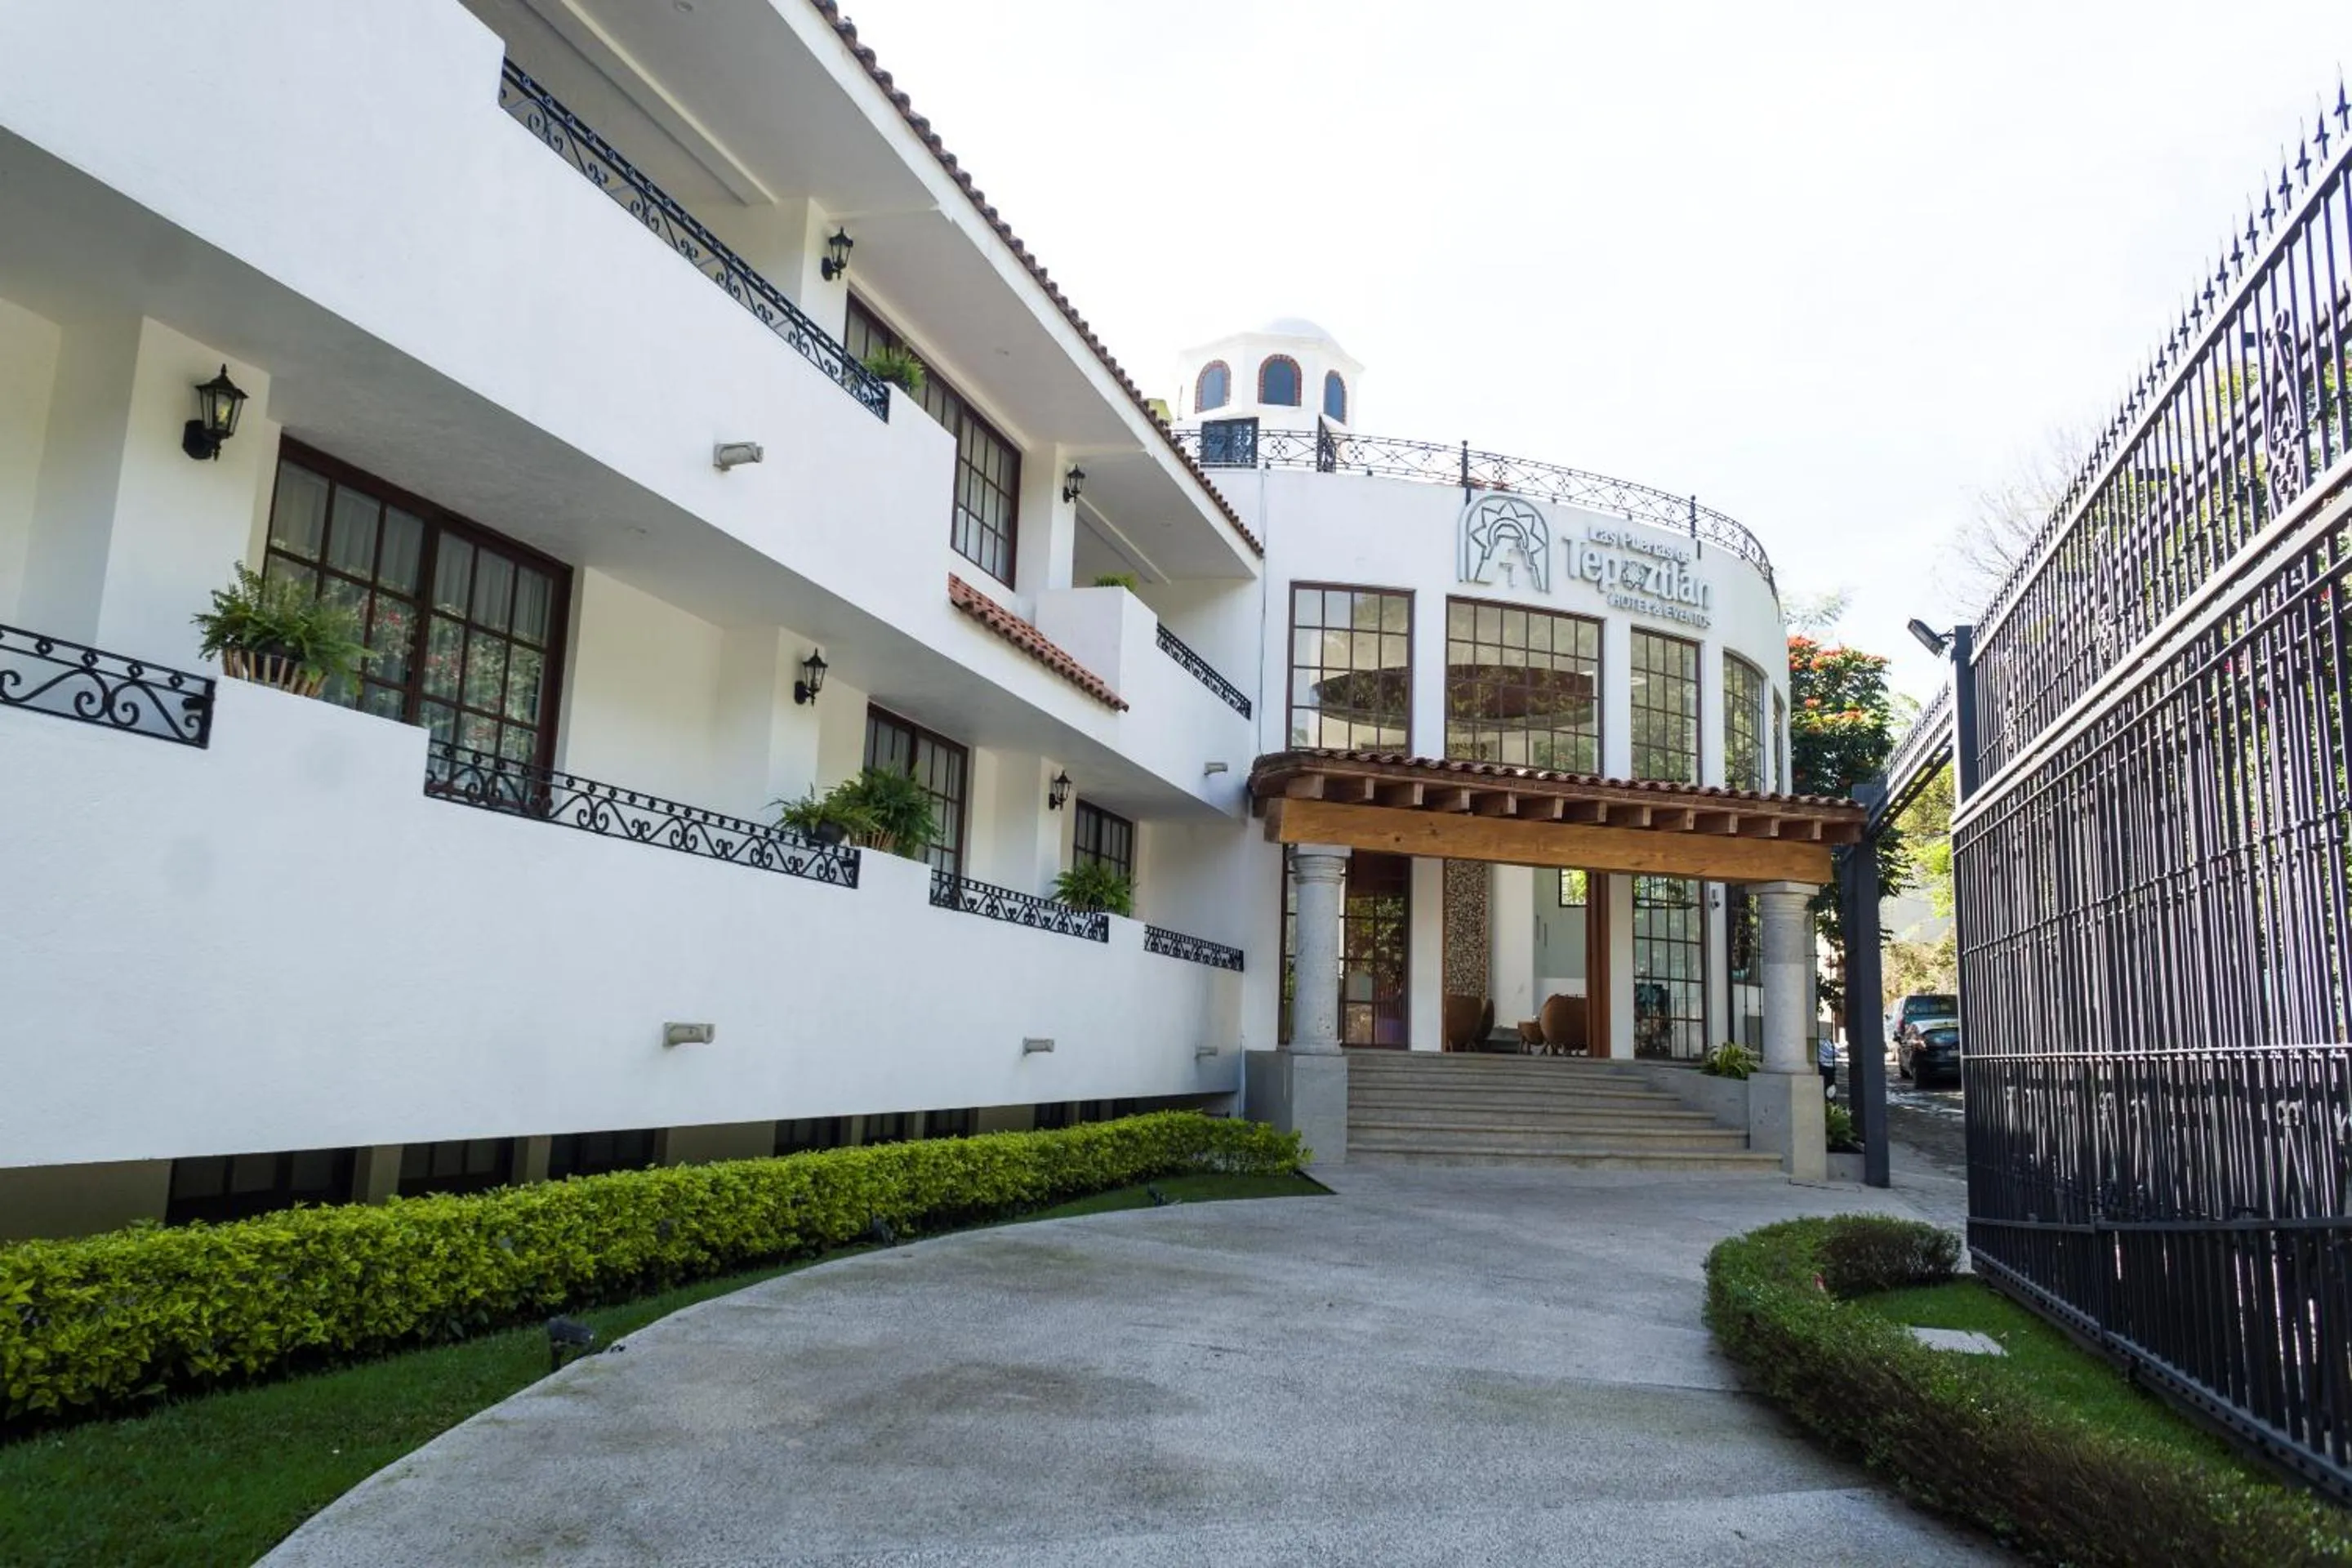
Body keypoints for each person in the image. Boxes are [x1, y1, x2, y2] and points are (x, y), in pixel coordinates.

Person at [1817, 1035, 1838, 1100]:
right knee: (1828, 1087)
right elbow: (1831, 1052)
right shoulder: (1822, 1041)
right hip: (1825, 1066)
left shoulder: (1826, 1041)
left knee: (1830, 1087)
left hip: (1829, 1066)